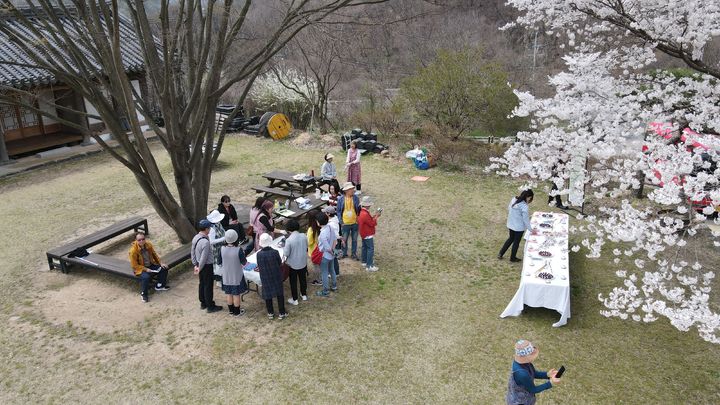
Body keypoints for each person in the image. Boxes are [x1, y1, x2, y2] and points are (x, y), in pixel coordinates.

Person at [506, 339, 561, 405]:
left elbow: (533, 373)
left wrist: (547, 375)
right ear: (526, 357)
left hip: (522, 397)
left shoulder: (524, 363)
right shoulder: (522, 374)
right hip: (520, 402)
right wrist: (550, 383)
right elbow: (533, 389)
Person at [128, 232, 169, 303]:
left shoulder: (148, 245)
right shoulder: (133, 251)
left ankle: (159, 286)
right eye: (139, 240)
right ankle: (144, 294)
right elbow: (134, 265)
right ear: (136, 240)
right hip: (139, 269)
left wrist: (160, 263)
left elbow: (154, 255)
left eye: (143, 239)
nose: (141, 241)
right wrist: (146, 269)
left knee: (164, 268)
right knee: (146, 277)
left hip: (150, 265)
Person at [191, 219, 223, 313]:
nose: (210, 230)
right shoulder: (205, 242)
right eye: (209, 228)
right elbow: (204, 258)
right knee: (208, 286)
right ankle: (210, 306)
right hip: (206, 266)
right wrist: (199, 268)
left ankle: (203, 303)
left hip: (198, 264)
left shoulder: (196, 237)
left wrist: (195, 265)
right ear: (206, 229)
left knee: (202, 284)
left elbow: (192, 252)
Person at [256, 233, 288, 320]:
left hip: (265, 276)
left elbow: (259, 265)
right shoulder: (275, 252)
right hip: (276, 275)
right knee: (279, 294)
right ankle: (282, 312)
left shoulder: (259, 254)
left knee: (267, 295)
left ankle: (270, 312)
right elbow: (279, 264)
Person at [498, 189, 534, 263]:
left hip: (511, 224)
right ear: (528, 197)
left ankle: (501, 253)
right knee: (516, 242)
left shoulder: (514, 199)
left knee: (510, 239)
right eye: (530, 198)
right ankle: (512, 257)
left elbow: (509, 208)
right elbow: (526, 220)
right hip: (519, 227)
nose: (529, 200)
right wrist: (531, 230)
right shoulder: (524, 206)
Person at [220, 229, 249, 317]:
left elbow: (219, 261)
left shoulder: (221, 248)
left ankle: (231, 311)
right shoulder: (238, 250)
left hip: (225, 275)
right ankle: (237, 312)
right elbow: (244, 262)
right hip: (236, 276)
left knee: (229, 293)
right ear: (236, 238)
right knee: (236, 294)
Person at [283, 219, 308, 305]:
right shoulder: (304, 236)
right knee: (303, 279)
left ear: (288, 229)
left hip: (292, 264)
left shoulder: (289, 240)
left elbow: (286, 253)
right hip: (303, 261)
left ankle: (295, 299)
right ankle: (304, 294)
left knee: (293, 281)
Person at [315, 212, 338, 297]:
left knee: (324, 273)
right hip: (331, 255)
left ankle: (325, 291)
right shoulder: (331, 227)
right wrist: (334, 252)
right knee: (332, 270)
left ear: (318, 222)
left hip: (325, 256)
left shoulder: (322, 234)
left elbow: (327, 248)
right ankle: (334, 286)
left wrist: (331, 251)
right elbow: (335, 239)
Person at [337, 182, 360, 260]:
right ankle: (344, 253)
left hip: (355, 223)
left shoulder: (356, 198)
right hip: (345, 223)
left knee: (354, 240)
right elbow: (338, 211)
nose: (353, 190)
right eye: (351, 189)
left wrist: (358, 219)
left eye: (353, 189)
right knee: (344, 239)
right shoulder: (340, 199)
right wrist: (341, 222)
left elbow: (359, 210)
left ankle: (353, 254)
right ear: (346, 190)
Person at [357, 196, 381, 272]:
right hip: (367, 233)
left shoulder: (362, 212)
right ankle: (369, 265)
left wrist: (374, 216)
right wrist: (376, 216)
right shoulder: (365, 214)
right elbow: (372, 223)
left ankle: (364, 261)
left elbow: (369, 220)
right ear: (367, 205)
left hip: (363, 233)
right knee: (370, 249)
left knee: (365, 247)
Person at [207, 209, 227, 283]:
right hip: (215, 249)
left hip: (221, 246)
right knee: (217, 264)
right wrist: (223, 239)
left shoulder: (218, 224)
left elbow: (223, 231)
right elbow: (211, 241)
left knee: (222, 262)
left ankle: (222, 277)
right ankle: (218, 280)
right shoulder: (211, 229)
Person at [323, 205, 343, 277]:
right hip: (334, 242)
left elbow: (336, 234)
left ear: (328, 214)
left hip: (333, 243)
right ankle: (335, 272)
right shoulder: (334, 219)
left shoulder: (331, 224)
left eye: (325, 212)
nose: (324, 214)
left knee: (333, 258)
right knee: (333, 258)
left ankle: (335, 272)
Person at [306, 209, 322, 286]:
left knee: (316, 266)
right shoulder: (321, 226)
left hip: (314, 251)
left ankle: (319, 280)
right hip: (321, 249)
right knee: (320, 265)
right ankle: (323, 276)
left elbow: (309, 242)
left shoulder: (311, 229)